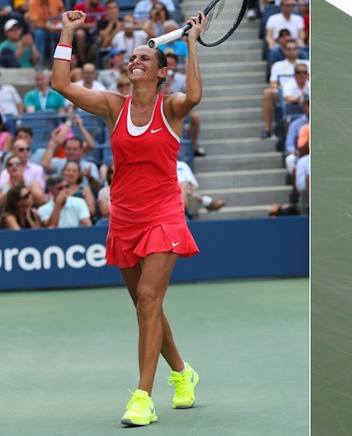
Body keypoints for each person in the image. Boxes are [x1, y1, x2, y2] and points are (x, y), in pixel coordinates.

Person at [51, 9, 206, 426]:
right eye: (132, 58)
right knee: (145, 306)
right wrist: (67, 30)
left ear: (160, 73)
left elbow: (193, 97)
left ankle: (142, 397)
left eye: (145, 59)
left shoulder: (171, 108)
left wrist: (192, 44)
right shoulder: (111, 106)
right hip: (124, 219)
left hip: (163, 214)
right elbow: (60, 83)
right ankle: (182, 372)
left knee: (150, 300)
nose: (135, 61)